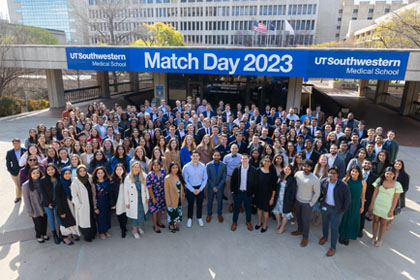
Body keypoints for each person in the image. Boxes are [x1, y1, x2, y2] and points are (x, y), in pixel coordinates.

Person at [318, 166, 351, 257]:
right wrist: (320, 203)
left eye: (334, 173)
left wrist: (342, 210)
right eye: (330, 173)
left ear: (338, 175)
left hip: (337, 210)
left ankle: (333, 247)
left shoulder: (343, 185)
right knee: (324, 223)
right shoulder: (324, 181)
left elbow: (347, 199)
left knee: (334, 228)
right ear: (328, 173)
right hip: (325, 207)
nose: (331, 175)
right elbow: (319, 193)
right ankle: (325, 237)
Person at [369, 167, 403, 247]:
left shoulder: (397, 185)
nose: (388, 175)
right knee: (375, 221)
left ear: (394, 175)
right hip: (377, 204)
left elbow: (395, 199)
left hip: (387, 207)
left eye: (391, 174)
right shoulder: (379, 180)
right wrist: (371, 205)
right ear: (384, 173)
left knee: (383, 223)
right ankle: (374, 237)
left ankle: (380, 239)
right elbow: (374, 194)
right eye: (387, 173)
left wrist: (392, 210)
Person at [292, 159, 320, 247]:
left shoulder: (315, 179)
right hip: (297, 201)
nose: (306, 168)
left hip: (307, 204)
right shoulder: (298, 174)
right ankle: (299, 230)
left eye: (308, 166)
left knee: (305, 221)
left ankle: (305, 237)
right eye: (304, 166)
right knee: (299, 218)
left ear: (311, 167)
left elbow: (317, 193)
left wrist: (311, 204)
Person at [338, 166, 366, 245]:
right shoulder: (345, 180)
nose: (354, 173)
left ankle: (348, 236)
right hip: (346, 202)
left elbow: (363, 195)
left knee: (352, 220)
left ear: (359, 173)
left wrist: (362, 206)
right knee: (344, 219)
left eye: (356, 171)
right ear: (350, 172)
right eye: (352, 171)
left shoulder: (363, 182)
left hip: (356, 203)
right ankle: (342, 235)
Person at [230, 153, 257, 231]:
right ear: (240, 160)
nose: (244, 160)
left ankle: (248, 222)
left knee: (248, 208)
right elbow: (232, 182)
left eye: (246, 158)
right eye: (243, 158)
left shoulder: (253, 170)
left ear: (249, 159)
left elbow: (255, 183)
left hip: (248, 193)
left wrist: (253, 193)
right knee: (236, 208)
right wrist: (233, 192)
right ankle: (234, 222)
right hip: (238, 193)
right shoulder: (236, 169)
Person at [71, 165, 97, 242]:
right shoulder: (75, 182)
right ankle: (87, 236)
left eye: (84, 170)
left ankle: (93, 234)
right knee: (84, 221)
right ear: (77, 172)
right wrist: (79, 205)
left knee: (91, 219)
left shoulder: (89, 178)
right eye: (80, 171)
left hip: (91, 202)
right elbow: (74, 196)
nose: (82, 172)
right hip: (83, 205)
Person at [182, 150, 208, 228]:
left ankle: (199, 217)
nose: (195, 157)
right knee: (190, 204)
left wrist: (200, 189)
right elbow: (185, 180)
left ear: (199, 157)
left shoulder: (203, 166)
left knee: (199, 204)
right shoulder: (186, 167)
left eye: (197, 156)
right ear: (191, 157)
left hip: (200, 187)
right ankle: (190, 218)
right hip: (190, 188)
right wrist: (192, 190)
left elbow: (205, 178)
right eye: (194, 156)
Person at [124, 161, 149, 240]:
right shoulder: (128, 178)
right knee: (135, 216)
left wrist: (147, 197)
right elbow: (125, 191)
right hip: (133, 200)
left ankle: (139, 227)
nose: (136, 169)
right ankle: (134, 231)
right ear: (132, 168)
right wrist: (127, 202)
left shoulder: (144, 176)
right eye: (135, 167)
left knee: (141, 214)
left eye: (138, 167)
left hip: (142, 199)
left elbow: (147, 188)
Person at [22, 166, 48, 243]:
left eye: (37, 173)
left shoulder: (42, 181)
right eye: (34, 173)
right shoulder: (26, 185)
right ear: (30, 174)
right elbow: (26, 199)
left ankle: (44, 233)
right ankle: (39, 235)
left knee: (44, 220)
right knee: (38, 223)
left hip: (44, 205)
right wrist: (29, 210)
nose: (36, 175)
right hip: (34, 207)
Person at [55, 167, 80, 245]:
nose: (67, 175)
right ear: (62, 174)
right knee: (65, 223)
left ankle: (73, 233)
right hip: (64, 207)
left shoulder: (71, 182)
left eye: (69, 173)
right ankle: (64, 237)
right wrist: (61, 212)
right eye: (65, 174)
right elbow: (58, 200)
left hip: (71, 205)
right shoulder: (59, 185)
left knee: (73, 220)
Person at [39, 164, 63, 244]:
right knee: (51, 219)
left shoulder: (59, 178)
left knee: (59, 218)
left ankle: (61, 233)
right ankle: (54, 234)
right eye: (48, 170)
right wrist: (49, 203)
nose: (50, 171)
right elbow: (43, 193)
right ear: (46, 171)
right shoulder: (43, 180)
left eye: (52, 169)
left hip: (58, 201)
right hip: (47, 203)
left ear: (55, 169)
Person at [254, 156, 278, 233]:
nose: (267, 162)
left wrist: (272, 198)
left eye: (268, 161)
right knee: (259, 209)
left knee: (266, 211)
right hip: (258, 194)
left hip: (268, 195)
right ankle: (259, 223)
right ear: (262, 162)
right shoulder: (257, 171)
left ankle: (265, 225)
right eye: (265, 161)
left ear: (271, 163)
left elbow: (274, 187)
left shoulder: (272, 173)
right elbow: (255, 183)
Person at [273, 165, 297, 234]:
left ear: (291, 171)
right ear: (284, 169)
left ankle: (282, 227)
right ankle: (279, 223)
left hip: (286, 199)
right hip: (278, 198)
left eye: (289, 169)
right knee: (276, 211)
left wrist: (290, 201)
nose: (287, 171)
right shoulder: (280, 176)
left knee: (285, 214)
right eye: (286, 169)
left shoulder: (292, 180)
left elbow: (293, 192)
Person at [206, 151, 227, 223]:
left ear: (220, 156)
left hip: (220, 187)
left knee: (219, 201)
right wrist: (213, 186)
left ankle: (219, 214)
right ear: (212, 156)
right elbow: (207, 177)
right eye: (215, 155)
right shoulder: (208, 165)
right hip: (211, 187)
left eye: (218, 155)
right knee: (210, 201)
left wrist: (218, 187)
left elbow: (224, 177)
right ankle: (209, 214)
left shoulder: (224, 165)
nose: (216, 157)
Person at [164, 162, 185, 233]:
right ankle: (171, 226)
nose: (175, 169)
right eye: (173, 168)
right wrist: (168, 201)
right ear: (170, 168)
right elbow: (166, 191)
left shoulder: (179, 176)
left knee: (177, 213)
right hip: (171, 199)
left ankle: (175, 224)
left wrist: (182, 195)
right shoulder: (167, 178)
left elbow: (181, 187)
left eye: (176, 167)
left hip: (178, 199)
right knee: (171, 213)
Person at [146, 160, 167, 233]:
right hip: (154, 195)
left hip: (162, 194)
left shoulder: (163, 172)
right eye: (154, 165)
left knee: (160, 209)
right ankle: (155, 225)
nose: (156, 166)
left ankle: (159, 222)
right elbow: (149, 187)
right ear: (152, 166)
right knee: (154, 211)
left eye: (158, 165)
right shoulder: (150, 175)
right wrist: (153, 198)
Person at [359, 159, 378, 237]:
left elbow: (374, 191)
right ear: (362, 164)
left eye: (369, 163)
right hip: (355, 198)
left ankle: (360, 229)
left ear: (371, 165)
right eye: (365, 163)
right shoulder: (356, 173)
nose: (367, 164)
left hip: (366, 199)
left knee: (362, 215)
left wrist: (371, 204)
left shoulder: (375, 177)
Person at [92, 166, 111, 240]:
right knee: (100, 218)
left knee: (107, 217)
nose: (100, 174)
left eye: (101, 173)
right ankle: (101, 232)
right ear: (96, 174)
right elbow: (93, 195)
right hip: (99, 202)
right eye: (98, 173)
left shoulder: (107, 181)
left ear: (104, 173)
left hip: (107, 201)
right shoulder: (94, 183)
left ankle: (106, 230)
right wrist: (95, 207)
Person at [109, 163, 128, 238]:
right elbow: (111, 193)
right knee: (120, 214)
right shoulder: (112, 180)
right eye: (117, 169)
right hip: (118, 200)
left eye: (121, 169)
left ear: (123, 170)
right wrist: (113, 203)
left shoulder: (127, 178)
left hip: (126, 199)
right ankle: (122, 229)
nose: (119, 171)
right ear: (115, 170)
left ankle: (124, 226)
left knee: (126, 214)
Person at [6, 138, 27, 203]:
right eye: (15, 143)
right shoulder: (10, 152)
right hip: (14, 171)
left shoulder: (25, 150)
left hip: (24, 171)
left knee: (24, 185)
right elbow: (8, 162)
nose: (16, 144)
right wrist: (10, 170)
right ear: (13, 144)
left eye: (18, 143)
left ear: (20, 143)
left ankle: (26, 197)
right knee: (18, 185)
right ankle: (18, 197)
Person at [223, 144, 241, 213]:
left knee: (238, 191)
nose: (234, 150)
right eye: (233, 148)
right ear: (230, 149)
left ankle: (238, 204)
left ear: (238, 149)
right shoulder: (226, 157)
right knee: (229, 190)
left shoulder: (241, 156)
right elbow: (224, 167)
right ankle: (231, 203)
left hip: (238, 177)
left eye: (236, 148)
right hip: (229, 176)